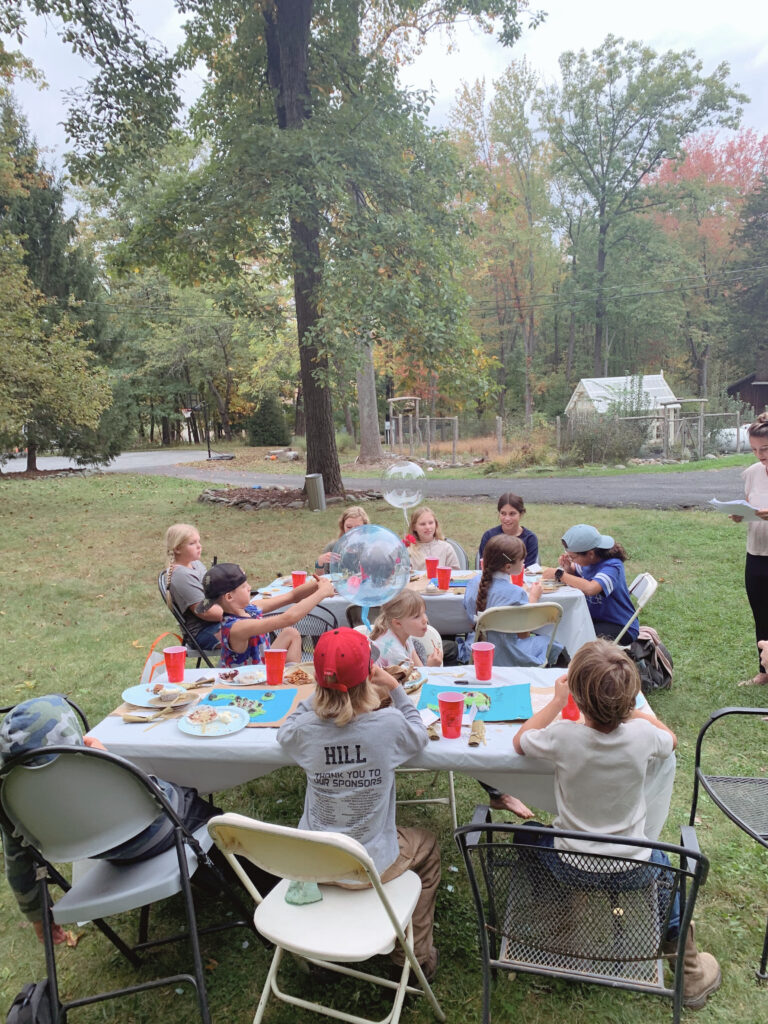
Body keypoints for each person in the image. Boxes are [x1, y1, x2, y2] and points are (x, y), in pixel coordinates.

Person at [513, 640, 721, 1009]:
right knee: (667, 868)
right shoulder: (642, 736)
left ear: (577, 693)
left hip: (569, 867)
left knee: (524, 837)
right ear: (630, 696)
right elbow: (670, 739)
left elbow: (520, 741)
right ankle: (688, 971)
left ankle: (559, 928)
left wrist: (557, 703)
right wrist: (634, 713)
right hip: (633, 868)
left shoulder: (564, 736)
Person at [277, 627, 440, 979]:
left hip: (315, 860)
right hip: (369, 864)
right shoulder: (389, 725)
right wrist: (395, 688)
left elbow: (285, 728)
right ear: (370, 675)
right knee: (428, 846)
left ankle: (322, 952)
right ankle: (413, 959)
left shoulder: (304, 731)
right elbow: (419, 733)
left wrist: (316, 696)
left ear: (317, 679)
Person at [0, 695, 217, 946]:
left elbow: (18, 866)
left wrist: (39, 917)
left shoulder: (14, 801)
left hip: (105, 852)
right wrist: (106, 758)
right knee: (203, 811)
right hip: (161, 833)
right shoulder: (95, 770)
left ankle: (208, 876)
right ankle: (239, 879)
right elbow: (149, 795)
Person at [199, 562, 336, 666]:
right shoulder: (236, 627)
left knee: (291, 633)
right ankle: (287, 683)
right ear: (229, 597)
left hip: (261, 669)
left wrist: (318, 584)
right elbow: (288, 618)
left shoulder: (250, 609)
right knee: (289, 627)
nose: (249, 587)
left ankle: (290, 678)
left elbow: (292, 596)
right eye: (244, 586)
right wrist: (322, 593)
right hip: (243, 685)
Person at [462, 535, 565, 668]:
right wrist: (533, 597)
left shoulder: (473, 583)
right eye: (522, 560)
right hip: (508, 653)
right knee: (552, 643)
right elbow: (523, 633)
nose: (524, 564)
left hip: (476, 649)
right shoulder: (516, 594)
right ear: (508, 567)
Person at [541, 523, 638, 642]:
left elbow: (591, 588)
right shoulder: (588, 562)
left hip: (619, 625)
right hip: (595, 618)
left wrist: (560, 574)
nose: (572, 560)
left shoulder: (613, 566)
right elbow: (578, 578)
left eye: (573, 557)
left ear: (590, 554)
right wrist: (568, 569)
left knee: (574, 635)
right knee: (560, 626)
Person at [732, 413, 768, 685]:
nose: (759, 455)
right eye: (754, 449)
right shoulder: (752, 473)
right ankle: (765, 672)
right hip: (755, 553)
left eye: (765, 449)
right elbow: (748, 506)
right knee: (761, 613)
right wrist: (739, 514)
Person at [164, 523, 223, 648]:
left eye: (199, 541)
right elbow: (206, 612)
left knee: (260, 623)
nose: (199, 546)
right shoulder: (180, 575)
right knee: (253, 630)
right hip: (204, 631)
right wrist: (237, 612)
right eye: (192, 543)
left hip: (217, 621)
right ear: (177, 549)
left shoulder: (196, 564)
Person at [369, 591, 443, 668]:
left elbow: (419, 668)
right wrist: (431, 667)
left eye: (424, 613)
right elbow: (415, 679)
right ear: (398, 623)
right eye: (417, 616)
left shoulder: (403, 635)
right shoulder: (394, 652)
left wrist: (427, 669)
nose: (425, 620)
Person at [478, 493, 539, 567]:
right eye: (503, 513)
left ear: (521, 514)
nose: (507, 518)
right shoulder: (489, 536)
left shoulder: (530, 539)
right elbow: (485, 565)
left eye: (512, 514)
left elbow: (529, 569)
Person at [315, 506, 370, 574]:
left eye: (358, 527)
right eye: (349, 527)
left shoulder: (370, 549)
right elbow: (320, 579)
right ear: (342, 527)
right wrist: (320, 563)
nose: (352, 531)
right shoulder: (332, 547)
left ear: (364, 528)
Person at [405, 507, 459, 573]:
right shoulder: (408, 551)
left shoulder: (446, 548)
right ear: (414, 527)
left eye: (431, 523)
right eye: (422, 524)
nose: (427, 527)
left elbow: (456, 574)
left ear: (436, 524)